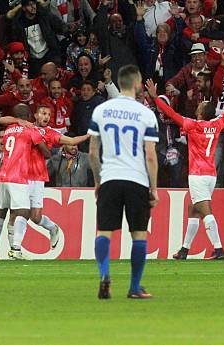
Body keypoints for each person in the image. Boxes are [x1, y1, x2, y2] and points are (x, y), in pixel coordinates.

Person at [146, 78, 224, 260]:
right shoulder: (216, 125)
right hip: (211, 175)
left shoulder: (192, 125)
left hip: (198, 175)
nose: (199, 105)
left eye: (201, 105)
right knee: (193, 209)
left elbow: (170, 113)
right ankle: (185, 250)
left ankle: (219, 250)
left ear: (201, 112)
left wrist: (155, 98)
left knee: (205, 212)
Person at [88, 64, 159, 300]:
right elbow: (150, 155)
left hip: (109, 178)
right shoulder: (146, 114)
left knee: (104, 232)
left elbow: (92, 152)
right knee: (139, 234)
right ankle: (134, 287)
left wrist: (98, 182)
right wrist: (154, 188)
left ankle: (104, 275)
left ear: (119, 82)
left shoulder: (101, 110)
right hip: (136, 179)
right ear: (138, 84)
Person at [0, 105, 90, 259]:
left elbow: (72, 140)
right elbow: (1, 119)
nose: (46, 116)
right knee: (18, 213)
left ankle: (53, 228)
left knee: (35, 217)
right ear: (36, 115)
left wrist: (88, 135)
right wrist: (19, 120)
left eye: (48, 114)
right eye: (43, 113)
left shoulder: (50, 132)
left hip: (37, 177)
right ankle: (15, 250)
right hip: (21, 177)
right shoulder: (24, 126)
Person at [0, 104, 50, 260]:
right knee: (23, 211)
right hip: (17, 175)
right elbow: (46, 152)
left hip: (3, 174)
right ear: (30, 115)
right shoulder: (31, 130)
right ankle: (16, 249)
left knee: (1, 211)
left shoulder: (9, 128)